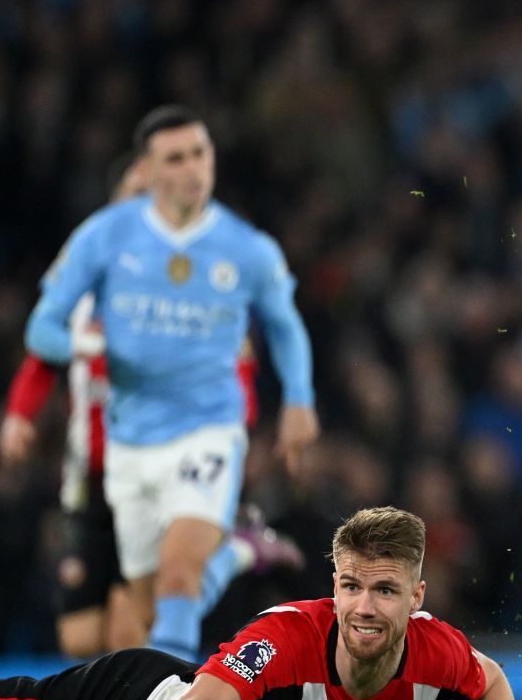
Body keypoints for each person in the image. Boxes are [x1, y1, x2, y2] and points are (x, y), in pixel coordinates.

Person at [22, 106, 319, 664]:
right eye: (175, 158)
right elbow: (41, 329)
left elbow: (285, 324)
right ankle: (232, 555)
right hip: (129, 446)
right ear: (149, 171)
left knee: (180, 577)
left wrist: (300, 398)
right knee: (146, 610)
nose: (191, 169)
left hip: (208, 431)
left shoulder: (245, 247)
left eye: (200, 154)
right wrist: (89, 348)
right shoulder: (105, 237)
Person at [0, 507, 522, 700]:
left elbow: (487, 682)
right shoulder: (285, 640)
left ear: (416, 599)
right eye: (352, 587)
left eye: (385, 591)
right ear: (333, 586)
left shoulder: (437, 651)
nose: (364, 608)